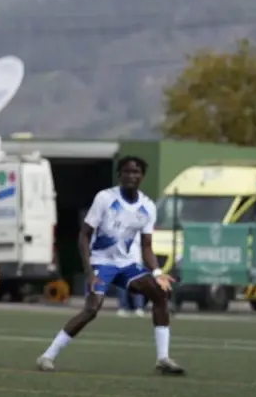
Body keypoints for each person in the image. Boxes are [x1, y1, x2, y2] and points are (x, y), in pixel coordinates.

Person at [37, 156, 185, 375]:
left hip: (127, 265)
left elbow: (146, 246)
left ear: (142, 176)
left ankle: (163, 358)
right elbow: (84, 235)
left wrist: (156, 273)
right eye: (126, 171)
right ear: (119, 175)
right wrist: (89, 272)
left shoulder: (148, 206)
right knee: (92, 309)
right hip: (101, 263)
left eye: (136, 172)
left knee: (160, 294)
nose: (131, 176)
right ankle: (47, 356)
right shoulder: (105, 198)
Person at [116, 233, 146, 318]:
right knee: (122, 286)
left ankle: (139, 307)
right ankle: (123, 307)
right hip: (121, 261)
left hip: (136, 261)